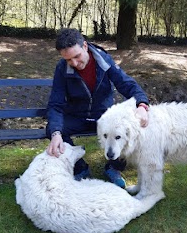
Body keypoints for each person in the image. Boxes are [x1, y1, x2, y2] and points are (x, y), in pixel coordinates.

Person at [46, 28, 149, 188]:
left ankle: (113, 168)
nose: (74, 63)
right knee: (53, 130)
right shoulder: (61, 69)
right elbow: (55, 104)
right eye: (68, 60)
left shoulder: (104, 61)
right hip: (77, 116)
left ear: (85, 46)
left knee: (127, 128)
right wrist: (56, 133)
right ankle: (80, 168)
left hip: (104, 117)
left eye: (77, 56)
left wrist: (142, 105)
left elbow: (126, 84)